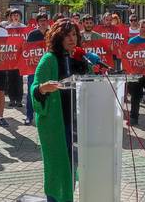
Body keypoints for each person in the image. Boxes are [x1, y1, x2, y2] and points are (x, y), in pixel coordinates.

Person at [31, 19, 95, 202]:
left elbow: (92, 81)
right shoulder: (49, 59)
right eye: (67, 35)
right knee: (57, 167)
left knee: (72, 165)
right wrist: (42, 89)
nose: (71, 38)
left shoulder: (79, 58)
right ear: (58, 37)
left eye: (74, 34)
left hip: (76, 121)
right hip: (55, 122)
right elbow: (35, 88)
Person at [25, 12, 50, 125]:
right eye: (41, 21)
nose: (43, 23)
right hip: (33, 68)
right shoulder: (32, 34)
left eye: (45, 20)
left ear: (47, 21)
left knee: (48, 91)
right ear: (37, 23)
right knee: (31, 91)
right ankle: (29, 116)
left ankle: (45, 114)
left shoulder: (51, 33)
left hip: (47, 67)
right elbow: (27, 50)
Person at [4, 9, 26, 108]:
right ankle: (12, 99)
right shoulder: (7, 28)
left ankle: (19, 100)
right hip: (10, 58)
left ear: (20, 17)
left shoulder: (24, 28)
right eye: (14, 15)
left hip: (20, 58)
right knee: (10, 80)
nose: (15, 17)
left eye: (17, 15)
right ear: (11, 17)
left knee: (19, 80)